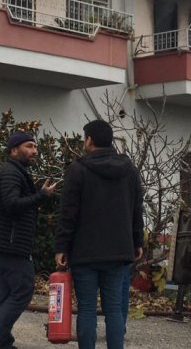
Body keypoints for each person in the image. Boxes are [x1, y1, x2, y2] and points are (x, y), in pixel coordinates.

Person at [54, 119, 144, 349]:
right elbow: (136, 209)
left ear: (89, 139)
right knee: (114, 309)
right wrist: (137, 241)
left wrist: (62, 247)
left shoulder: (78, 169)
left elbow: (68, 213)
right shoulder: (129, 170)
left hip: (85, 251)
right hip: (118, 251)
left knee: (86, 308)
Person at [0, 131, 56, 349]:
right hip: (8, 244)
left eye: (35, 147)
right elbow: (12, 204)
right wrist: (40, 196)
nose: (34, 151)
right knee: (22, 290)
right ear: (13, 149)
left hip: (4, 242)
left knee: (7, 293)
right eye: (29, 146)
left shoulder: (15, 171)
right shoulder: (10, 172)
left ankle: (1, 340)